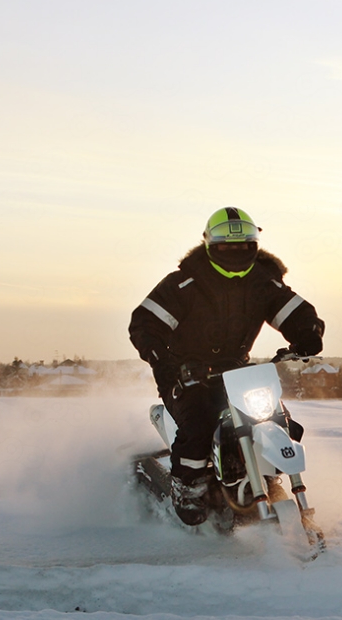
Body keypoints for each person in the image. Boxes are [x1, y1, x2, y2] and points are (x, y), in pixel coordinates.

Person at [129, 207, 325, 524]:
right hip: (184, 374)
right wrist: (162, 361)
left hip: (236, 374)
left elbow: (294, 311)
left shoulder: (262, 282)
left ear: (253, 245)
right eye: (226, 246)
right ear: (210, 245)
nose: (234, 252)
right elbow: (145, 323)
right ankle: (187, 487)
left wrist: (308, 333)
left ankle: (269, 479)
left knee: (280, 419)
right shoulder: (185, 284)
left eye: (242, 245)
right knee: (198, 426)